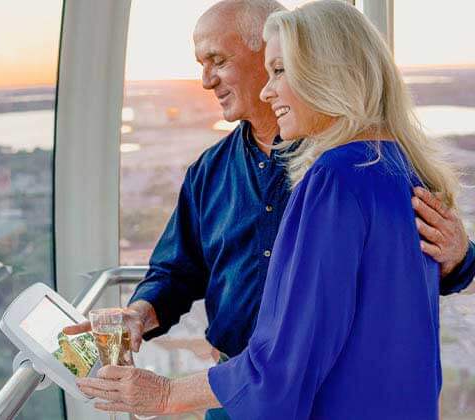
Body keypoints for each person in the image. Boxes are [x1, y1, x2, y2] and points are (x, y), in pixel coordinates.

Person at [67, 0, 475, 417]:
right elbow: (176, 271)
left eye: (218, 60)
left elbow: (289, 359)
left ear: (306, 64)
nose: (207, 80)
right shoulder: (394, 162)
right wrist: (138, 313)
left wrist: (166, 395)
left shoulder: (330, 174)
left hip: (295, 395)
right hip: (266, 388)